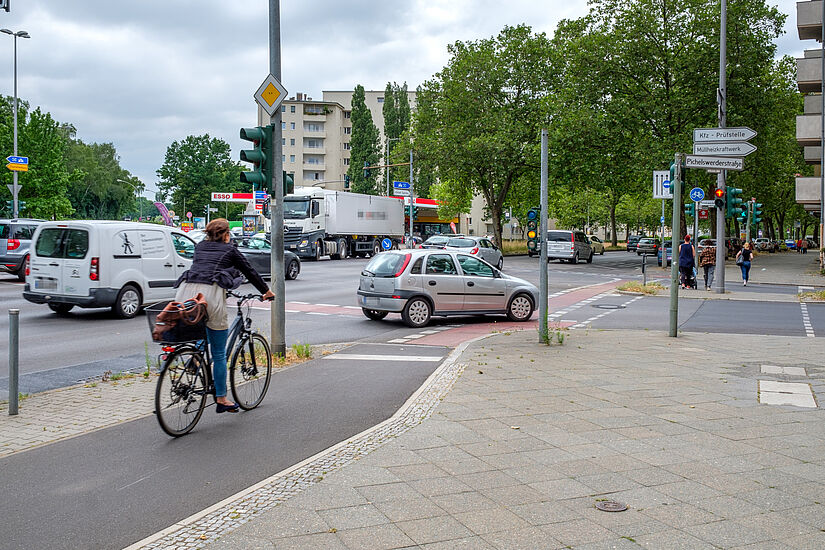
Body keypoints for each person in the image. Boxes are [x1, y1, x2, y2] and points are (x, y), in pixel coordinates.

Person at [175, 218, 275, 413]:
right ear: (226, 234)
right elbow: (249, 270)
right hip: (211, 294)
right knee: (220, 353)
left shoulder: (200, 246)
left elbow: (206, 267)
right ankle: (222, 398)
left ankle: (195, 360)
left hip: (187, 293)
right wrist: (266, 291)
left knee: (201, 329)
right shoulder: (230, 249)